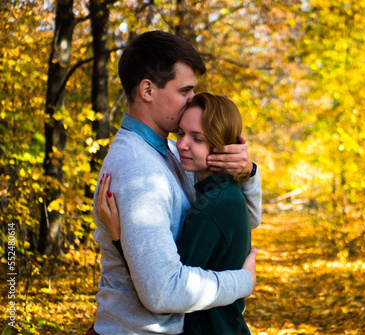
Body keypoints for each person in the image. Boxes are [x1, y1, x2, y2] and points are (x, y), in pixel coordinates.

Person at [90, 31, 261, 335]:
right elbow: (162, 291)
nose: (193, 100)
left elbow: (238, 223)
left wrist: (245, 173)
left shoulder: (171, 152)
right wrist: (243, 281)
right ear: (147, 90)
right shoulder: (138, 168)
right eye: (185, 90)